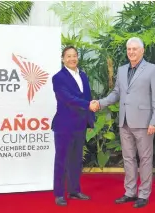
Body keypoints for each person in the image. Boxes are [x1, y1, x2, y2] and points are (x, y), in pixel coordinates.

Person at [91, 37, 155, 208]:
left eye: (134, 49)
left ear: (142, 50)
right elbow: (116, 93)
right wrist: (100, 103)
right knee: (128, 158)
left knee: (145, 159)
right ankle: (130, 192)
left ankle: (144, 194)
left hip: (144, 123)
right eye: (129, 49)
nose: (131, 52)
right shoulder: (122, 69)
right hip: (124, 121)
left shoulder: (153, 70)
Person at [51, 46, 97, 206]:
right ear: (63, 59)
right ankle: (58, 194)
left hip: (80, 126)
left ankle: (74, 190)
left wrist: (90, 120)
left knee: (76, 160)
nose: (72, 59)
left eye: (74, 56)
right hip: (64, 125)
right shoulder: (58, 78)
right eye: (68, 56)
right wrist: (89, 105)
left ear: (78, 57)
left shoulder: (83, 75)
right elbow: (68, 98)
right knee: (61, 160)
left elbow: (88, 96)